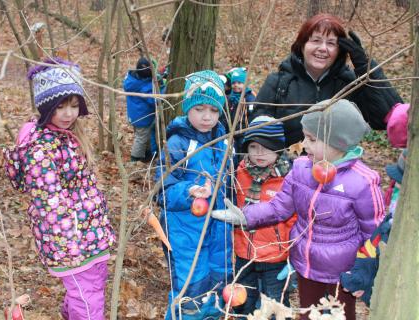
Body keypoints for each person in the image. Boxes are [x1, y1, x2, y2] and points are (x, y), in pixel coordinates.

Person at [213, 99, 385, 319]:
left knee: (340, 315)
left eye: (312, 139)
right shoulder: (301, 168)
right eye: (305, 137)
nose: (304, 144)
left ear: (338, 142)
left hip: (342, 272)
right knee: (306, 313)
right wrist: (244, 216)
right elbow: (279, 207)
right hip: (306, 263)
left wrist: (365, 269)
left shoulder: (362, 182)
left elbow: (374, 231)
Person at [3, 58, 115, 320]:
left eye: (74, 106)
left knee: (91, 287)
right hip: (71, 241)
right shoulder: (40, 148)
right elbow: (49, 202)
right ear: (46, 107)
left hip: (91, 232)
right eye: (60, 106)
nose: (68, 113)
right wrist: (70, 245)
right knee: (87, 298)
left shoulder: (69, 136)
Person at [253, 13, 403, 147]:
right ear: (302, 45)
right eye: (316, 40)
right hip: (287, 173)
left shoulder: (349, 84)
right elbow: (256, 135)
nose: (323, 48)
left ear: (339, 51)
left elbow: (385, 117)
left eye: (331, 43)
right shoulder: (278, 83)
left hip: (337, 172)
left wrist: (365, 67)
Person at [155, 70, 233, 319]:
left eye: (213, 110)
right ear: (187, 108)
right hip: (185, 231)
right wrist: (188, 191)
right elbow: (161, 191)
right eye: (199, 109)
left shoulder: (223, 142)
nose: (206, 117)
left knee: (217, 280)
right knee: (191, 287)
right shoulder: (176, 144)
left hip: (219, 227)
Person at [232, 116, 296, 316]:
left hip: (275, 256)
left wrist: (294, 251)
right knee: (243, 301)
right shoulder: (238, 172)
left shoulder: (290, 178)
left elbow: (296, 218)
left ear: (278, 149)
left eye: (266, 147)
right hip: (243, 253)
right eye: (253, 147)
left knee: (276, 303)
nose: (259, 153)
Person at [340, 148, 407, 306]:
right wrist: (362, 279)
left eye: (401, 185)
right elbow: (370, 250)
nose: (395, 186)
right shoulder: (390, 222)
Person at [123, 57, 161, 162]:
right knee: (141, 138)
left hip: (135, 116)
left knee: (144, 136)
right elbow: (154, 100)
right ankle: (135, 159)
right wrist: (162, 88)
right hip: (143, 117)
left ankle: (147, 154)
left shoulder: (132, 79)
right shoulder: (146, 87)